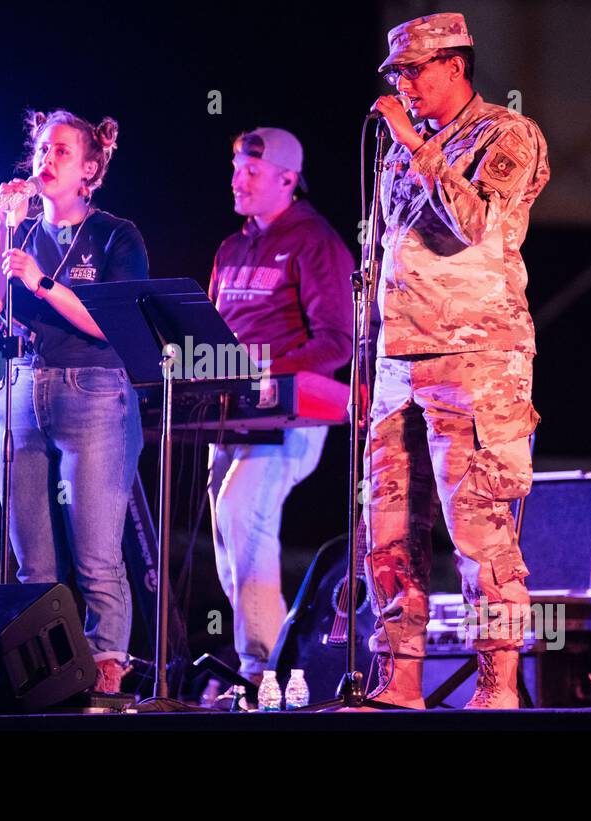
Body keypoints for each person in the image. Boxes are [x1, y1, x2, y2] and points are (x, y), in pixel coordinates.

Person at [364, 12, 551, 709]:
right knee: (388, 527)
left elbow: (479, 226)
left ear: (456, 65)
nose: (406, 84)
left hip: (476, 358)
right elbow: (388, 257)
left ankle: (497, 681)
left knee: (479, 527)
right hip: (397, 361)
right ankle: (399, 674)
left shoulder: (508, 134)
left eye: (416, 69)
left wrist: (417, 143)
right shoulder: (397, 151)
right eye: (398, 74)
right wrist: (370, 358)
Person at [0, 110, 148, 694]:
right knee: (32, 563)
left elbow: (114, 323)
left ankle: (106, 675)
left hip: (94, 390)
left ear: (90, 169)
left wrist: (43, 282)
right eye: (42, 149)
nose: (46, 160)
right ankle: (42, 677)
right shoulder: (22, 233)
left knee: (96, 555)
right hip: (24, 390)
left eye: (62, 152)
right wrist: (3, 228)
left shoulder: (117, 235)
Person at [206, 128, 353, 689]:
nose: (237, 179)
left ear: (288, 180)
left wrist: (269, 372)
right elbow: (214, 328)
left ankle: (261, 671)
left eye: (252, 171)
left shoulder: (315, 241)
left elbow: (337, 340)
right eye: (236, 167)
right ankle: (283, 658)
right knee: (227, 533)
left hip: (292, 415)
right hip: (230, 413)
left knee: (244, 515)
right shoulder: (230, 247)